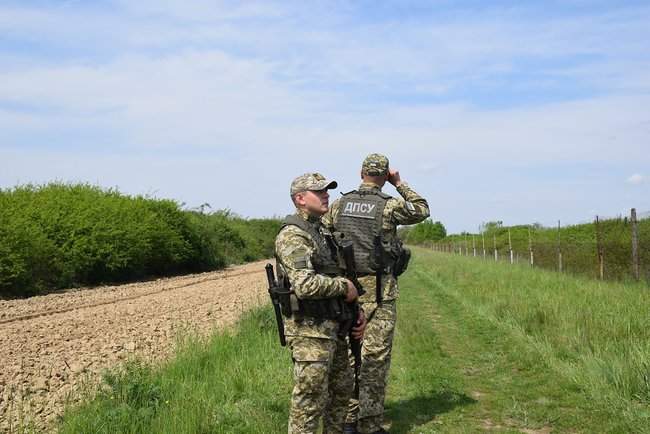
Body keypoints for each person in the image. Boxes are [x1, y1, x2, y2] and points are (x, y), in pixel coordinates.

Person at [323, 154, 430, 434]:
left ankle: (346, 420)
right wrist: (400, 184)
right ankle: (369, 425)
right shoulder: (389, 205)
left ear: (360, 172)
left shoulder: (339, 204)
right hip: (380, 291)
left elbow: (325, 237)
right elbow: (421, 209)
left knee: (347, 357)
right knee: (375, 359)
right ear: (384, 176)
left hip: (344, 291)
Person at [275, 172, 367, 434]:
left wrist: (356, 313)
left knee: (341, 391)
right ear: (300, 199)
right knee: (310, 400)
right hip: (309, 332)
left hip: (334, 327)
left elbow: (338, 275)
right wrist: (343, 287)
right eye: (320, 191)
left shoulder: (323, 231)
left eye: (327, 190)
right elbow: (305, 285)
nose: (326, 195)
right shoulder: (293, 235)